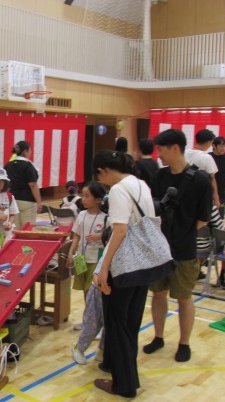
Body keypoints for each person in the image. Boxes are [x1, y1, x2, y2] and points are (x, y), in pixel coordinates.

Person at [91, 150, 155, 398]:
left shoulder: (118, 190)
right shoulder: (140, 184)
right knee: (130, 323)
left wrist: (104, 268)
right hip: (142, 262)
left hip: (123, 264)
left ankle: (124, 384)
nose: (100, 182)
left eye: (99, 176)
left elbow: (119, 231)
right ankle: (118, 368)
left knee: (117, 323)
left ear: (104, 171)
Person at [145, 129, 212, 363]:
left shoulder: (201, 180)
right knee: (158, 294)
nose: (159, 154)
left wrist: (183, 233)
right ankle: (158, 336)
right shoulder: (159, 176)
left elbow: (203, 218)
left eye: (161, 150)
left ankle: (184, 343)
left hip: (184, 250)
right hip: (158, 248)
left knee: (184, 297)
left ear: (175, 148)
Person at [68, 181, 107, 329]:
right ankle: (89, 321)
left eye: (87, 196)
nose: (83, 199)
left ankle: (99, 324)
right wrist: (71, 253)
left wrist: (99, 236)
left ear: (98, 199)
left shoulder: (105, 218)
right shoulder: (81, 215)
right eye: (82, 196)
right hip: (80, 259)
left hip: (95, 259)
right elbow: (76, 236)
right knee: (85, 291)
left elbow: (111, 236)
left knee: (94, 292)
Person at [4, 141, 42, 228]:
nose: (31, 152)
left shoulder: (8, 165)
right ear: (25, 151)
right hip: (27, 201)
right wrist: (39, 202)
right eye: (30, 150)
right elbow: (33, 185)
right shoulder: (28, 165)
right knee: (28, 230)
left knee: (16, 229)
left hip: (12, 200)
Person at [184, 129, 220, 208]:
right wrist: (216, 198)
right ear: (209, 142)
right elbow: (212, 179)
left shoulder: (183, 153)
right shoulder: (207, 157)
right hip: (199, 194)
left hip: (182, 191)